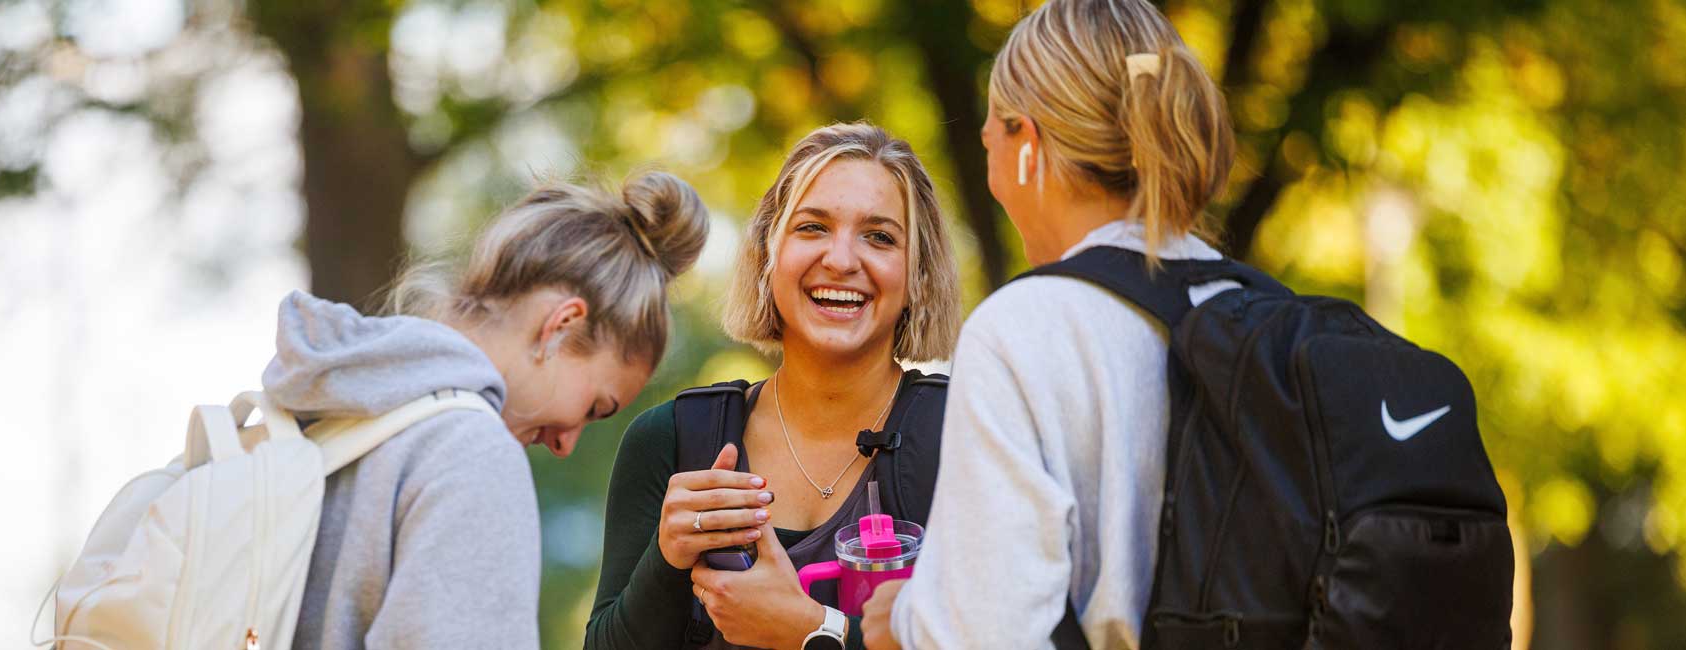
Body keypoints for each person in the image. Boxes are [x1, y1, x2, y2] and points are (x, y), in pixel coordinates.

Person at [859, 0, 1237, 647]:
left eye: (991, 142)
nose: (991, 166)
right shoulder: (1239, 300)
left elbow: (988, 632)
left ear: (1027, 145)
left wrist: (898, 620)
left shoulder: (1024, 328)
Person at [269, 172, 710, 649]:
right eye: (593, 407)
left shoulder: (329, 405)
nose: (566, 444)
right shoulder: (472, 454)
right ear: (560, 326)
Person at [585, 123, 962, 650]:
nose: (841, 260)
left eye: (879, 236)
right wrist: (667, 558)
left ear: (918, 275)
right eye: (812, 228)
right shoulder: (670, 440)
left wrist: (815, 633)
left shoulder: (964, 435)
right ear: (767, 256)